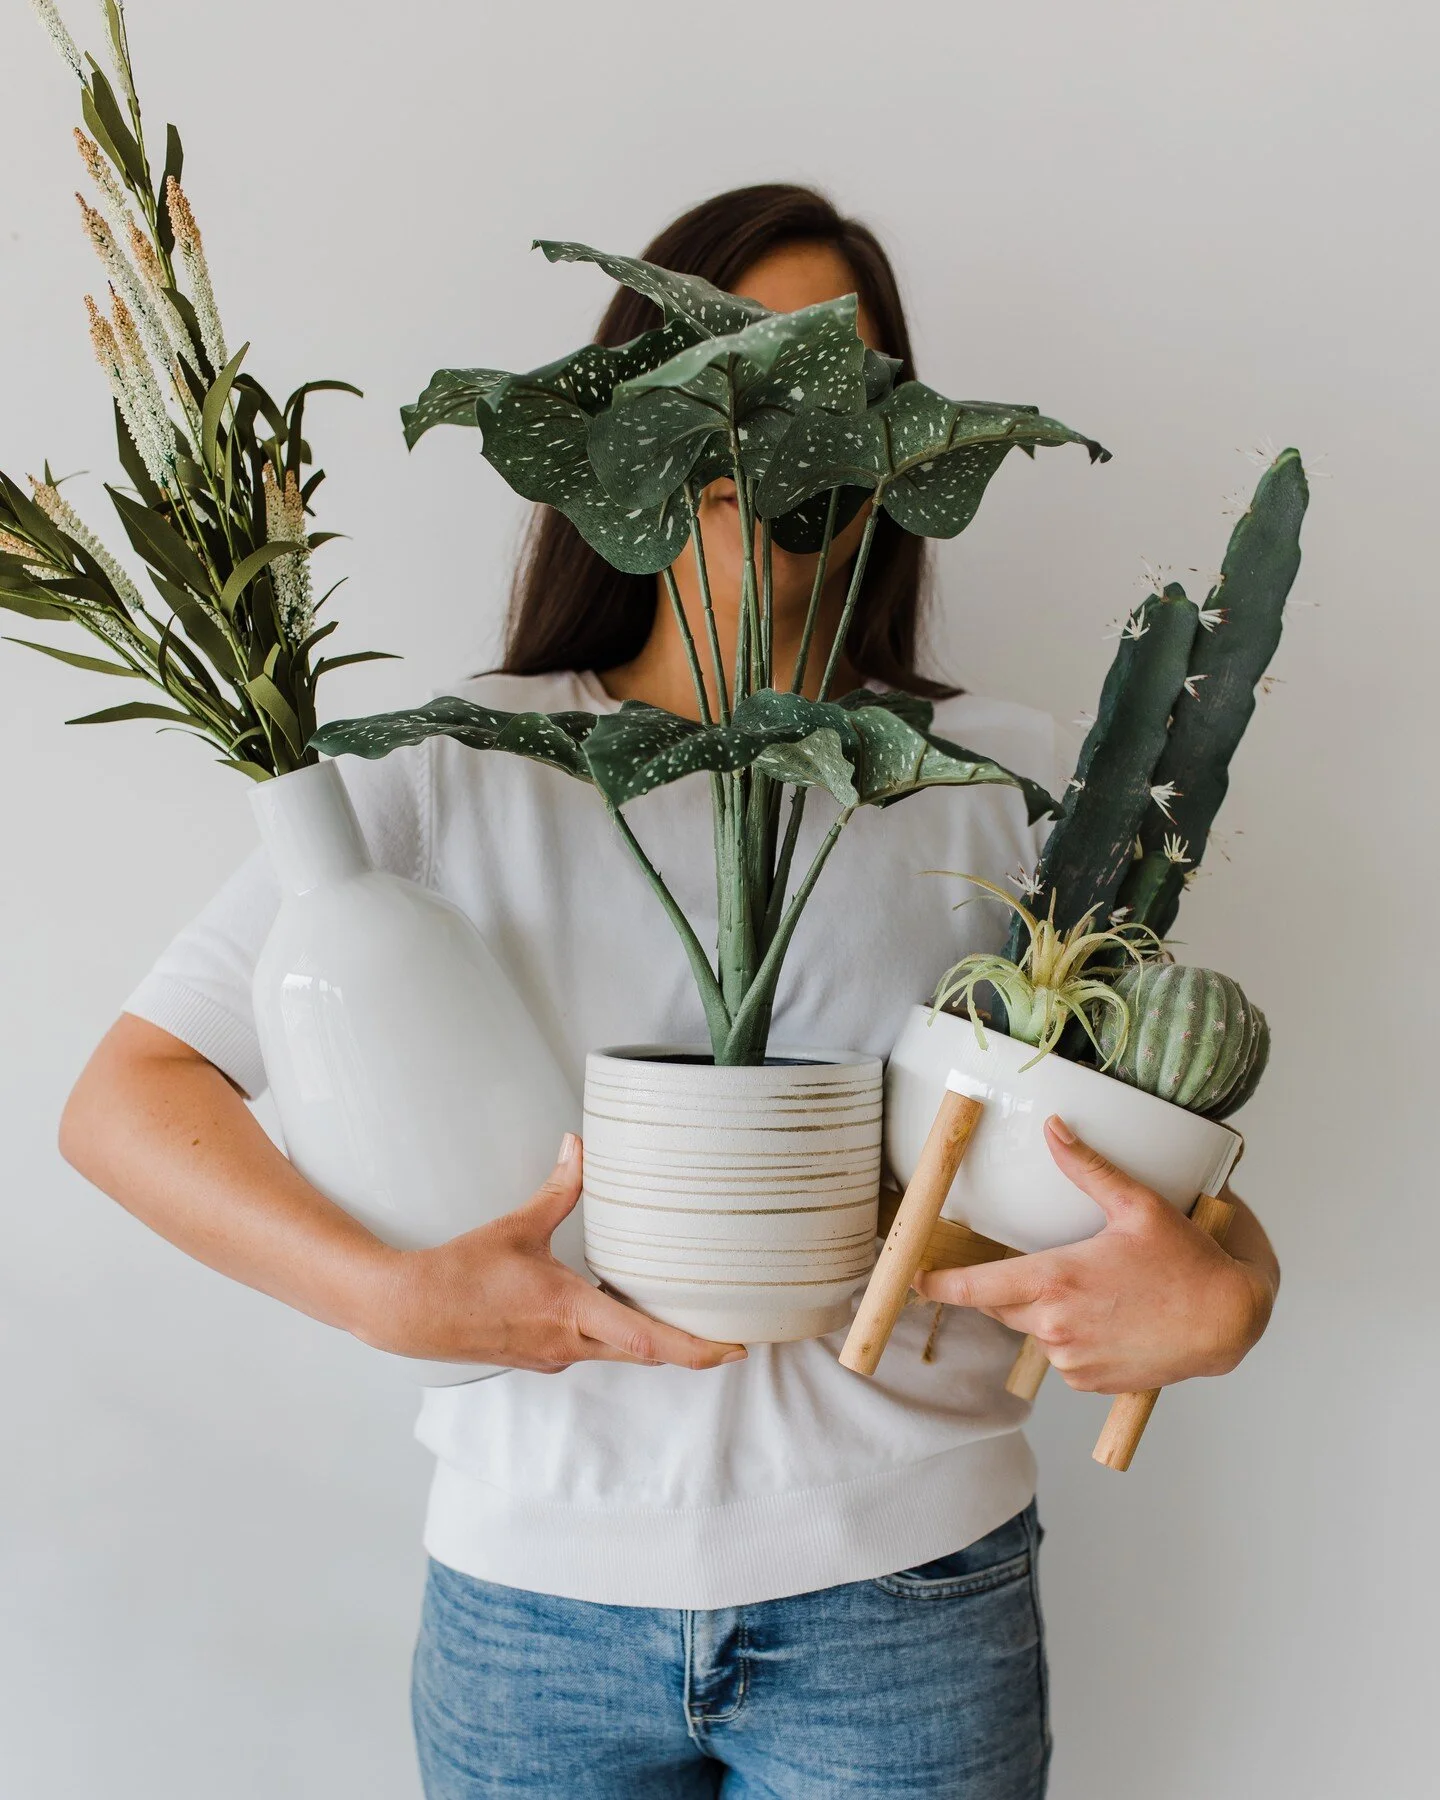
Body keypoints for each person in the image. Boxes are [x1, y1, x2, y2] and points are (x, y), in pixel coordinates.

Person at [59, 184, 1279, 1799]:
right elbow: (128, 1101)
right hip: (534, 1614)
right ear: (629, 422)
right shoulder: (452, 763)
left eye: (835, 395)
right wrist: (381, 1296)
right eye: (729, 384)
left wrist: (1231, 1294)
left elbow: (1144, 1140)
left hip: (906, 1598)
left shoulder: (1020, 788)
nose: (777, 445)